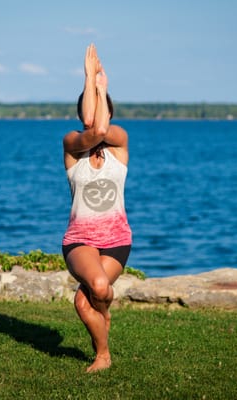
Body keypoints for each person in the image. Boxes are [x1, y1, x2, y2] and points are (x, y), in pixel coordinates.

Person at [62, 44, 132, 373]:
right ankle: (103, 346)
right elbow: (93, 129)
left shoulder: (119, 143)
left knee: (83, 299)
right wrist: (89, 78)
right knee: (100, 289)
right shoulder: (71, 145)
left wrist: (100, 87)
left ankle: (101, 345)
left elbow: (102, 129)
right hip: (79, 240)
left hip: (117, 240)